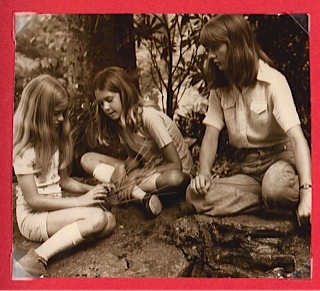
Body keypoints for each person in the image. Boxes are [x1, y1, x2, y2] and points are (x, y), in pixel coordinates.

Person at [186, 14, 311, 226]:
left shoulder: (273, 82)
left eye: (216, 47)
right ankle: (271, 202)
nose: (211, 56)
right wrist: (204, 174)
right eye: (208, 49)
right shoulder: (221, 89)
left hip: (281, 161)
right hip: (248, 172)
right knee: (194, 195)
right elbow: (210, 135)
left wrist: (307, 193)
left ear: (235, 44)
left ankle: (283, 195)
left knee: (275, 186)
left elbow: (297, 139)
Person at [13, 75, 116, 277]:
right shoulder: (24, 150)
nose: (61, 119)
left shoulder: (56, 141)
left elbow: (64, 181)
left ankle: (60, 240)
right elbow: (33, 201)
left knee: (109, 221)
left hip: (54, 209)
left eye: (62, 113)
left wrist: (93, 190)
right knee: (96, 217)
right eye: (56, 114)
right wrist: (81, 201)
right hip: (33, 217)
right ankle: (35, 258)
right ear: (38, 113)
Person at [80, 67, 193, 217]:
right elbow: (136, 157)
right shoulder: (120, 121)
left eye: (109, 100)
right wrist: (123, 167)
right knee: (87, 159)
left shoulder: (149, 118)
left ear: (124, 94)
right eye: (101, 103)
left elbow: (175, 165)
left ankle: (125, 190)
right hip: (148, 172)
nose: (106, 108)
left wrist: (133, 176)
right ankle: (140, 197)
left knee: (175, 179)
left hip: (171, 174)